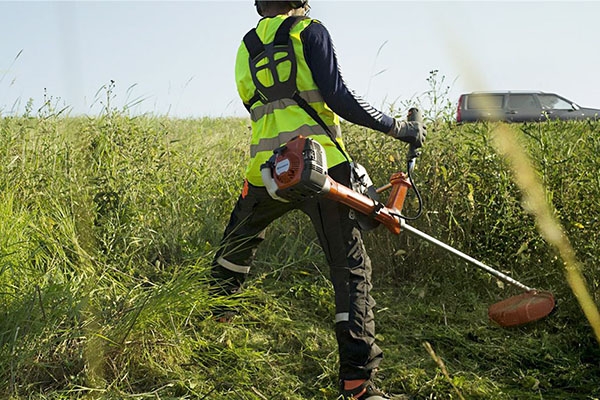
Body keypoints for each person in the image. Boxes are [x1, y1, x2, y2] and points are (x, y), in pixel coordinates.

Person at [210, 1, 426, 399]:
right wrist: (400, 128)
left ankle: (210, 333)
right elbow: (339, 97)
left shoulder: (246, 46)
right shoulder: (309, 30)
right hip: (320, 164)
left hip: (266, 168)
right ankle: (358, 386)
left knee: (234, 249)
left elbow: (253, 105)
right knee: (349, 269)